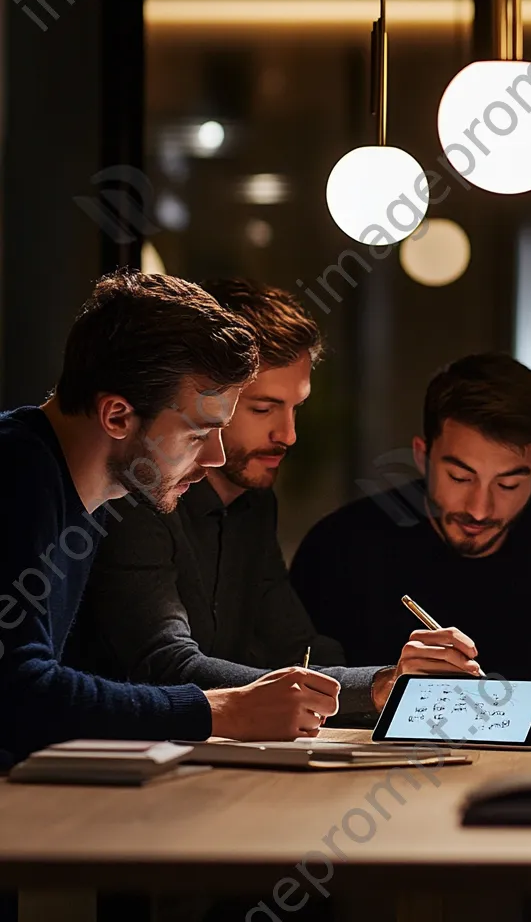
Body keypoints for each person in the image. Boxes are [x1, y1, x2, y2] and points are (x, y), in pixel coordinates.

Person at [70, 280, 477, 718]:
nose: (289, 435)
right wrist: (377, 687)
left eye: (296, 407)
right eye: (263, 409)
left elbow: (295, 648)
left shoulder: (253, 502)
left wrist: (399, 683)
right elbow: (165, 666)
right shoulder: (135, 493)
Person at [0, 270, 343, 769]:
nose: (215, 459)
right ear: (117, 416)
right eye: (197, 434)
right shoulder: (18, 475)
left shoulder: (72, 488)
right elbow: (19, 695)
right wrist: (217, 709)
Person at [291, 352, 531, 710]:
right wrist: (379, 686)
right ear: (423, 456)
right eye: (460, 477)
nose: (479, 509)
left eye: (508, 484)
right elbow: (292, 686)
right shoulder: (339, 547)